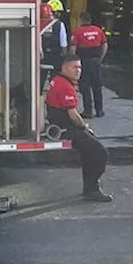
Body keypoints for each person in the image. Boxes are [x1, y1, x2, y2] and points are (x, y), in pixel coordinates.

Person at [44, 56, 112, 202]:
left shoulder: (57, 80)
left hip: (60, 125)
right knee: (101, 153)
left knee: (89, 154)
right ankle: (92, 189)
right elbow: (74, 115)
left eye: (80, 67)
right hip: (67, 129)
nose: (78, 71)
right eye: (74, 67)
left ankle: (90, 188)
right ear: (64, 68)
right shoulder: (65, 86)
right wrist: (85, 126)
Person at [69, 11, 109, 118]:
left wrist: (73, 62)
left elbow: (73, 49)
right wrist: (100, 58)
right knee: (97, 86)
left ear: (81, 20)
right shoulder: (98, 30)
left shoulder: (77, 32)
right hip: (96, 61)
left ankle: (88, 111)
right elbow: (105, 45)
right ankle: (99, 110)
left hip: (84, 62)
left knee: (85, 87)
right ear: (90, 20)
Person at [41, 0, 69, 74]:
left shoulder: (38, 23)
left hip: (41, 57)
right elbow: (63, 44)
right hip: (55, 57)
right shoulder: (60, 24)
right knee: (55, 79)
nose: (60, 14)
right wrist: (64, 56)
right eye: (58, 12)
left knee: (40, 81)